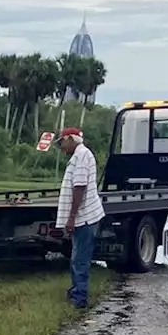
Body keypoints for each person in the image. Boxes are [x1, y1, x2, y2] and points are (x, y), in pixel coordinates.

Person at [55, 127, 105, 309]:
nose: (61, 147)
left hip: (85, 217)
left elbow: (80, 187)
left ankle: (80, 298)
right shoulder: (79, 155)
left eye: (61, 142)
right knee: (77, 257)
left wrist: (72, 217)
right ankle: (76, 290)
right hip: (83, 217)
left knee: (80, 259)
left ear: (70, 139)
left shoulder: (82, 156)